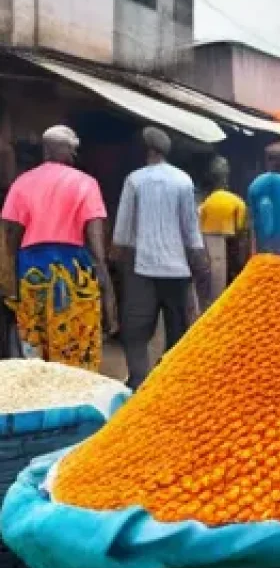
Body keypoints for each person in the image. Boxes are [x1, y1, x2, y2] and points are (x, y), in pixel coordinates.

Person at [0, 126, 115, 369]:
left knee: (34, 353)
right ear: (58, 150)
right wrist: (108, 295)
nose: (74, 156)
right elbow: (97, 245)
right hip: (75, 275)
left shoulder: (22, 183)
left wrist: (9, 287)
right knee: (77, 349)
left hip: (32, 274)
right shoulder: (87, 184)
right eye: (72, 150)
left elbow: (9, 239)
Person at [113, 126, 205, 390]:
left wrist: (115, 266)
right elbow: (191, 231)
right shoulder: (183, 180)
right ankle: (172, 382)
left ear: (148, 150)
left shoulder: (135, 180)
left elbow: (122, 231)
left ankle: (139, 380)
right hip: (177, 270)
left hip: (142, 269)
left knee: (136, 330)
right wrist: (199, 267)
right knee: (177, 330)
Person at [198, 156, 248, 302]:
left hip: (208, 252)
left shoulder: (205, 203)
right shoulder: (237, 201)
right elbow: (241, 230)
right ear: (226, 177)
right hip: (232, 256)